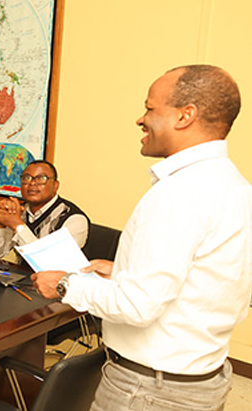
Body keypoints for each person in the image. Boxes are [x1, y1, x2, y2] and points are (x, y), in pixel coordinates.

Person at [32, 65, 250, 411]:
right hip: (201, 379)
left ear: (185, 116)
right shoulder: (234, 186)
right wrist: (123, 272)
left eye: (150, 108)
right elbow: (207, 280)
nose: (140, 119)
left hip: (149, 391)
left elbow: (138, 305)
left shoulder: (181, 192)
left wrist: (65, 285)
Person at [0, 160, 89, 260]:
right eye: (26, 178)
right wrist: (0, 223)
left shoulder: (74, 219)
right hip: (22, 276)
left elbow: (51, 263)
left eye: (41, 178)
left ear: (55, 185)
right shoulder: (19, 211)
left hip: (58, 279)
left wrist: (17, 225)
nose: (32, 183)